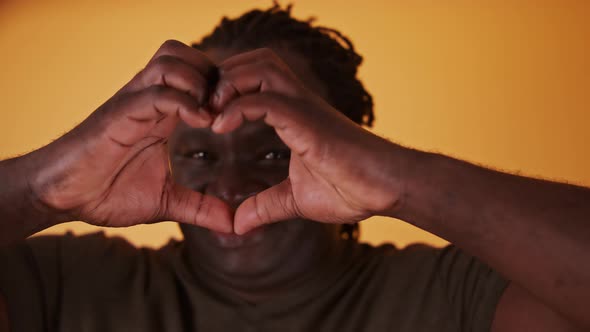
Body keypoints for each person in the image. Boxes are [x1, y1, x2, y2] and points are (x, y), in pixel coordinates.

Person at [0, 4, 588, 332]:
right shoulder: (60, 283)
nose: (231, 187)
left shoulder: (454, 294)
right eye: (200, 155)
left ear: (345, 149)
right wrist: (42, 188)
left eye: (273, 153)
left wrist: (399, 179)